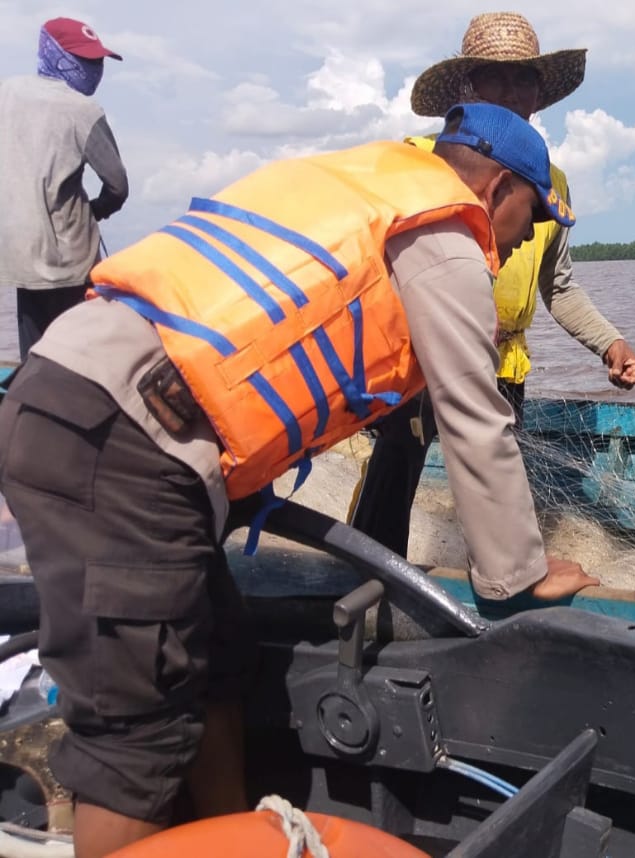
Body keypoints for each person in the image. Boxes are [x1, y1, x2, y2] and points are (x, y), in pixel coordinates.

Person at [0, 102, 599, 858]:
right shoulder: (446, 233)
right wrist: (518, 579)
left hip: (81, 399)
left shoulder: (361, 185)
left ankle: (243, 839)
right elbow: (474, 414)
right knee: (136, 735)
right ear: (500, 190)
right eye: (532, 218)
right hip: (119, 439)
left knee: (219, 661)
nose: (522, 240)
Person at [348, 12, 635, 557]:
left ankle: (496, 583)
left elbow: (558, 285)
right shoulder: (420, 157)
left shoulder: (549, 182)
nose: (511, 92)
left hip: (501, 359)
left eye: (524, 78)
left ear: (540, 92)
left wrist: (610, 341)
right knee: (395, 472)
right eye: (494, 77)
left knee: (492, 480)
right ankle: (366, 585)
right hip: (416, 352)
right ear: (467, 86)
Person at [0, 17, 128, 359]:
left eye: (97, 61)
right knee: (81, 354)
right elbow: (117, 186)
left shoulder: (7, 92)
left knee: (35, 352)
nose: (94, 69)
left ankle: (27, 405)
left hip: (18, 252)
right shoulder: (84, 110)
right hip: (69, 259)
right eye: (87, 60)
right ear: (54, 53)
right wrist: (96, 210)